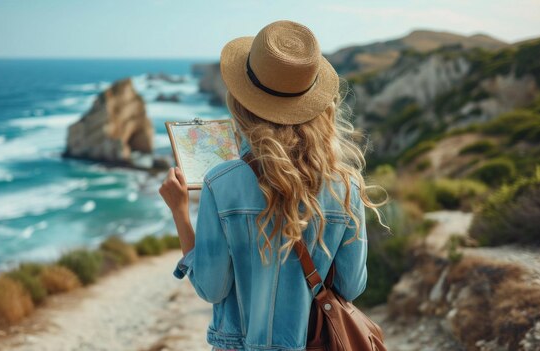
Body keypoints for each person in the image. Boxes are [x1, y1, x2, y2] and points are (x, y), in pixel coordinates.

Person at [159, 20, 385, 351]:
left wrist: (180, 211)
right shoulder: (345, 185)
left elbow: (211, 288)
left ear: (242, 101)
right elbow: (351, 286)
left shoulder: (220, 183)